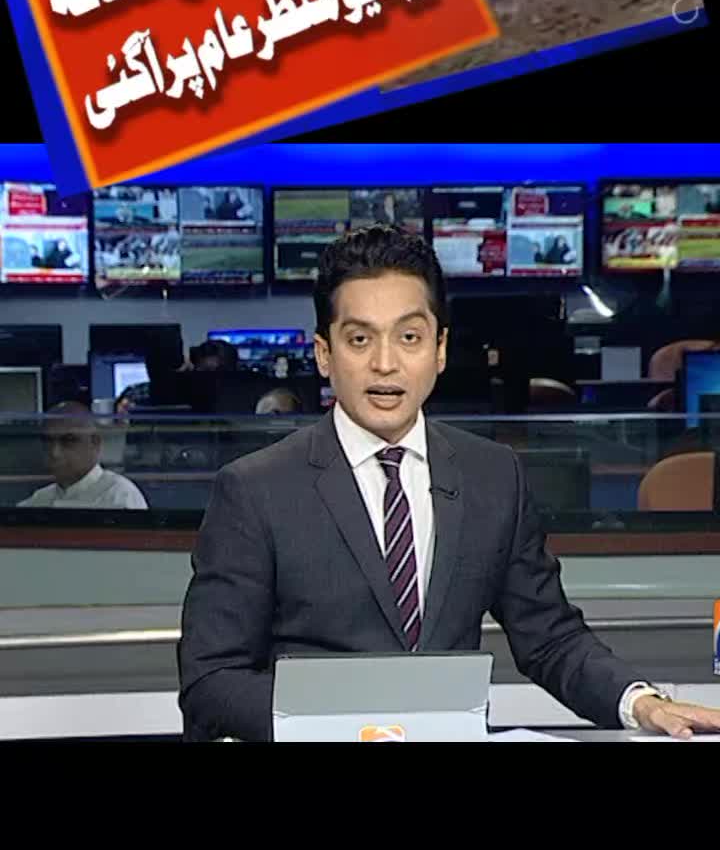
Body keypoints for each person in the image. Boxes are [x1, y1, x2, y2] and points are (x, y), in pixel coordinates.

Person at [178, 225, 720, 741]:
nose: (385, 363)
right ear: (325, 354)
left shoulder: (493, 476)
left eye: (409, 337)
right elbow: (210, 682)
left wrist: (642, 702)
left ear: (438, 349)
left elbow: (550, 637)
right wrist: (351, 726)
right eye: (360, 339)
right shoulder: (256, 490)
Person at [18, 402, 148, 510]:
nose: (54, 453)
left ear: (95, 443)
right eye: (48, 441)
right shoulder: (39, 500)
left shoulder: (119, 495)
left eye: (68, 441)